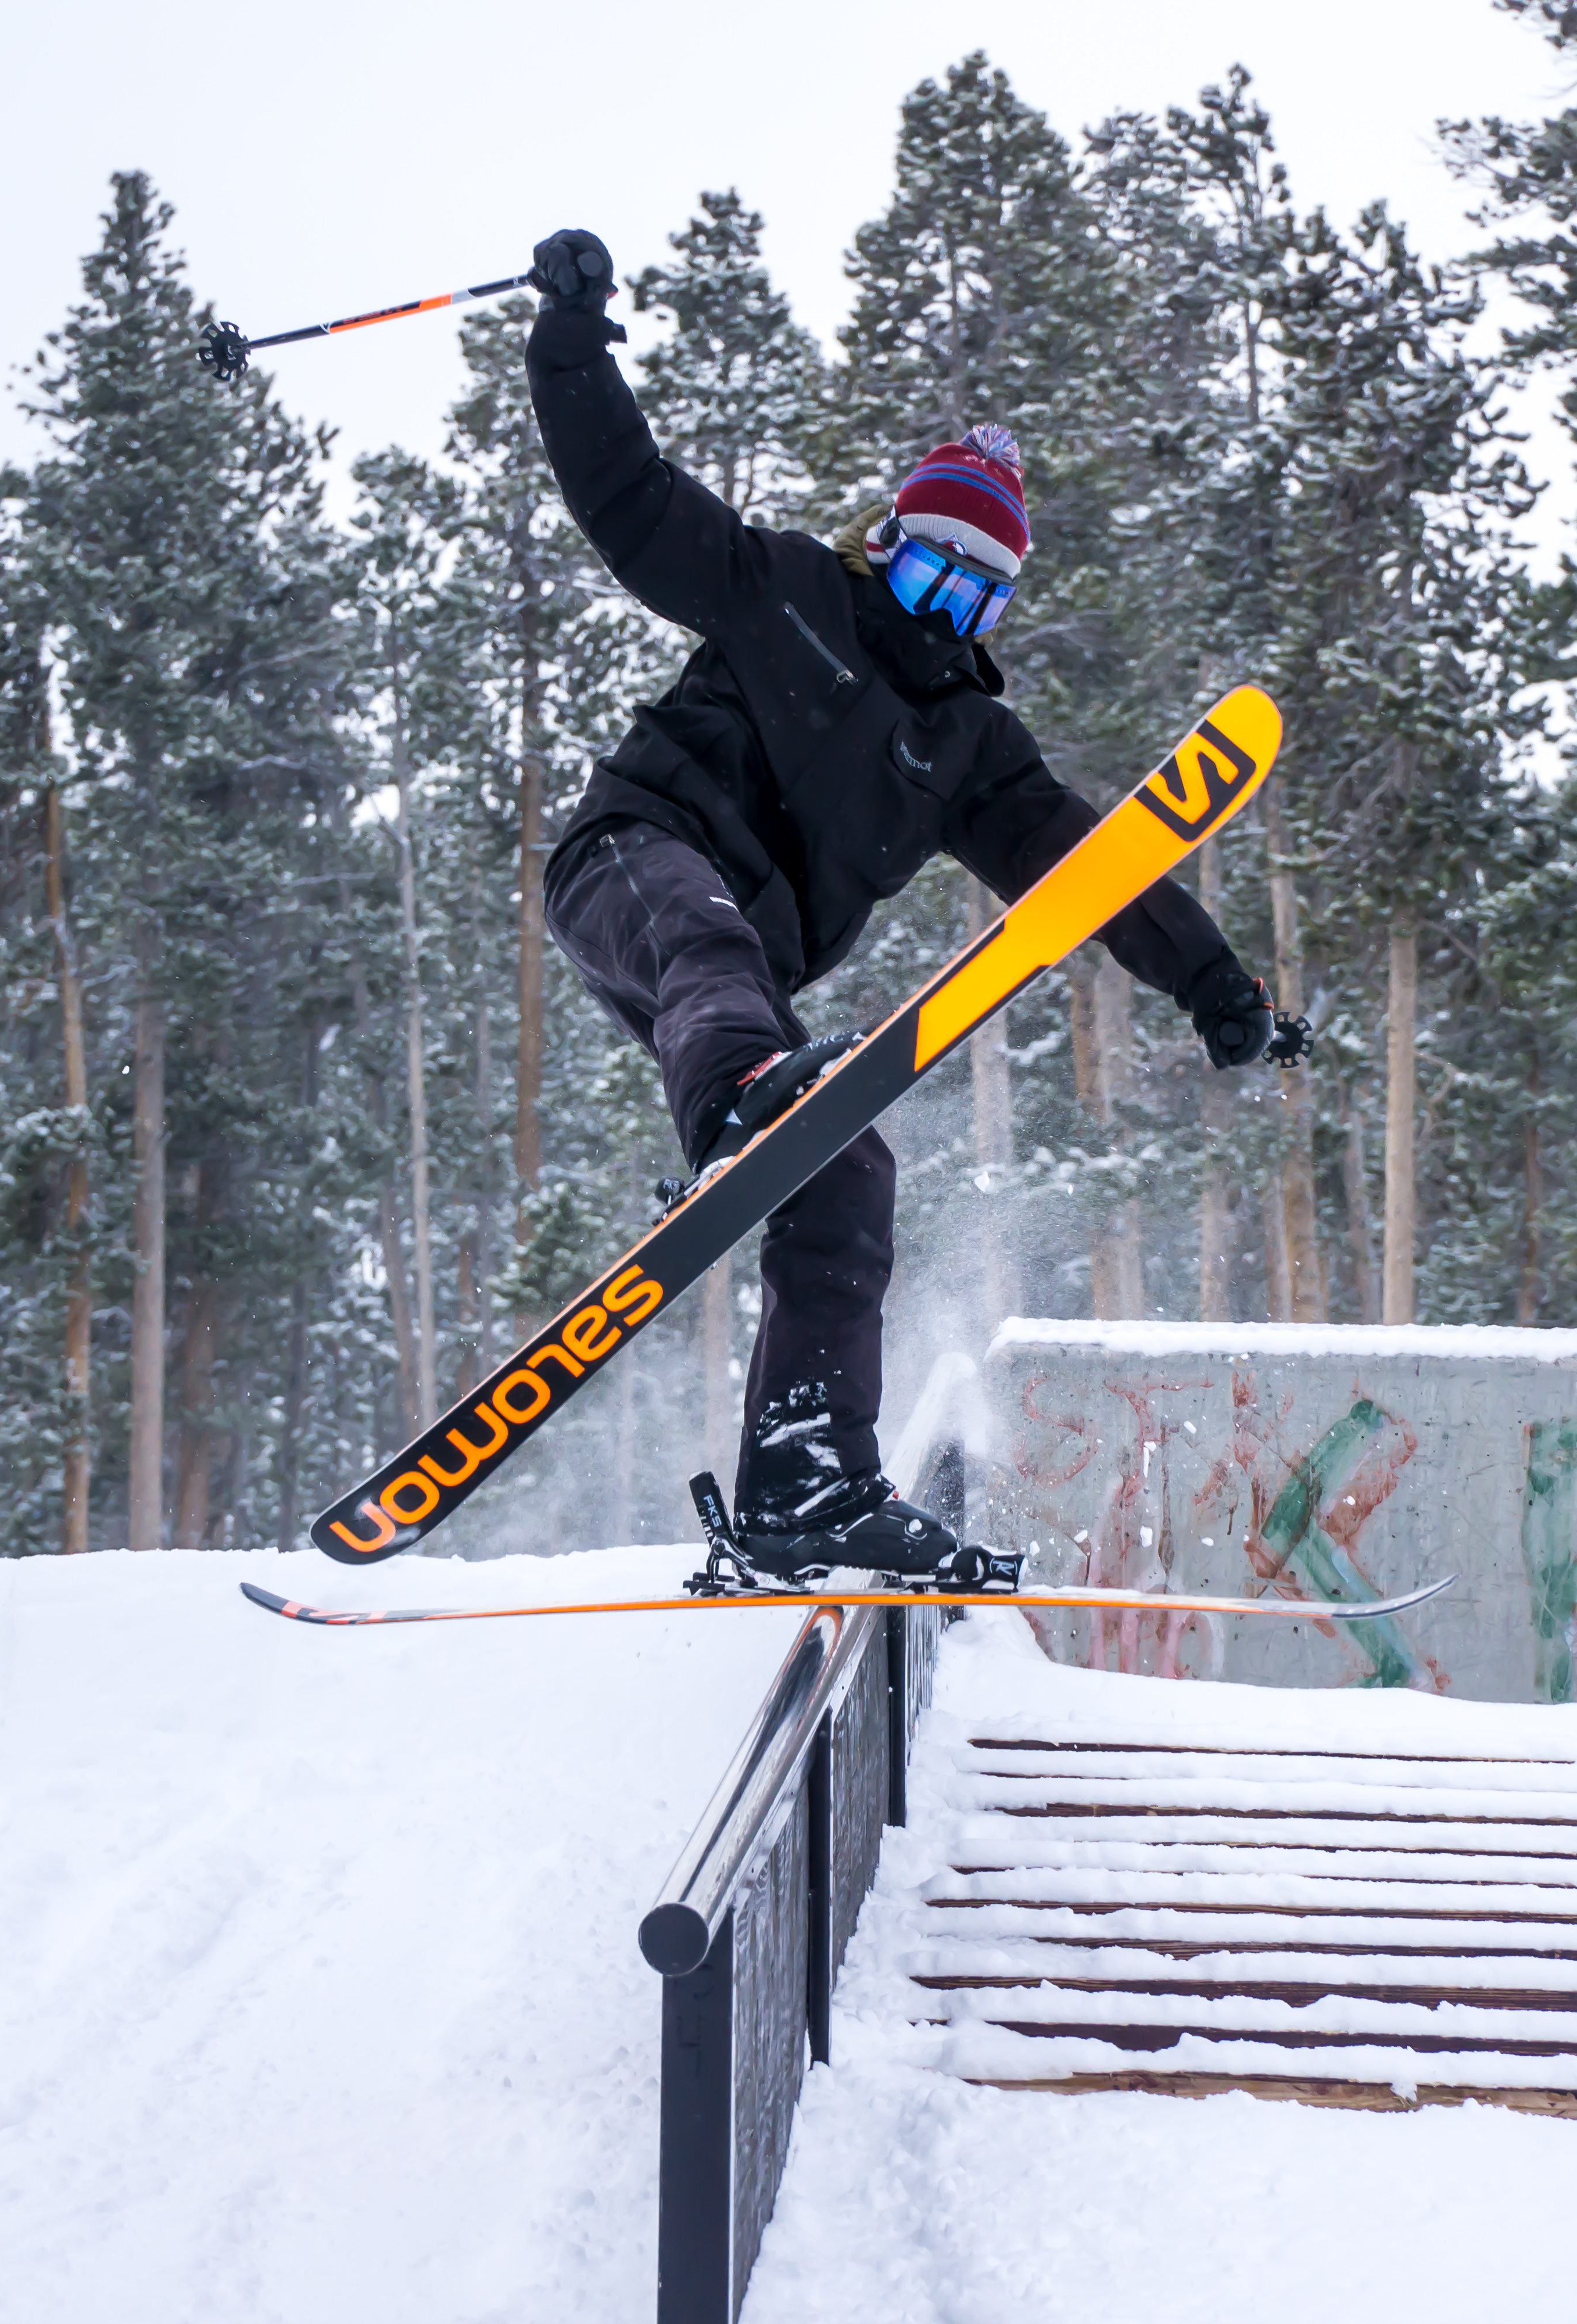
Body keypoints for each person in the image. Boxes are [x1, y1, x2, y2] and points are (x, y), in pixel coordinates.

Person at [523, 227, 1307, 1583]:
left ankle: (807, 1478)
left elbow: (1092, 871)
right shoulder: (783, 589)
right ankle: (739, 1091)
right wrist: (570, 341)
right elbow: (628, 499)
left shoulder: (963, 747)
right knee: (706, 932)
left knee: (849, 1169)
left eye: (974, 590)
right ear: (886, 541)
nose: (941, 607)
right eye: (928, 568)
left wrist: (1214, 990)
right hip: (630, 861)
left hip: (743, 981)